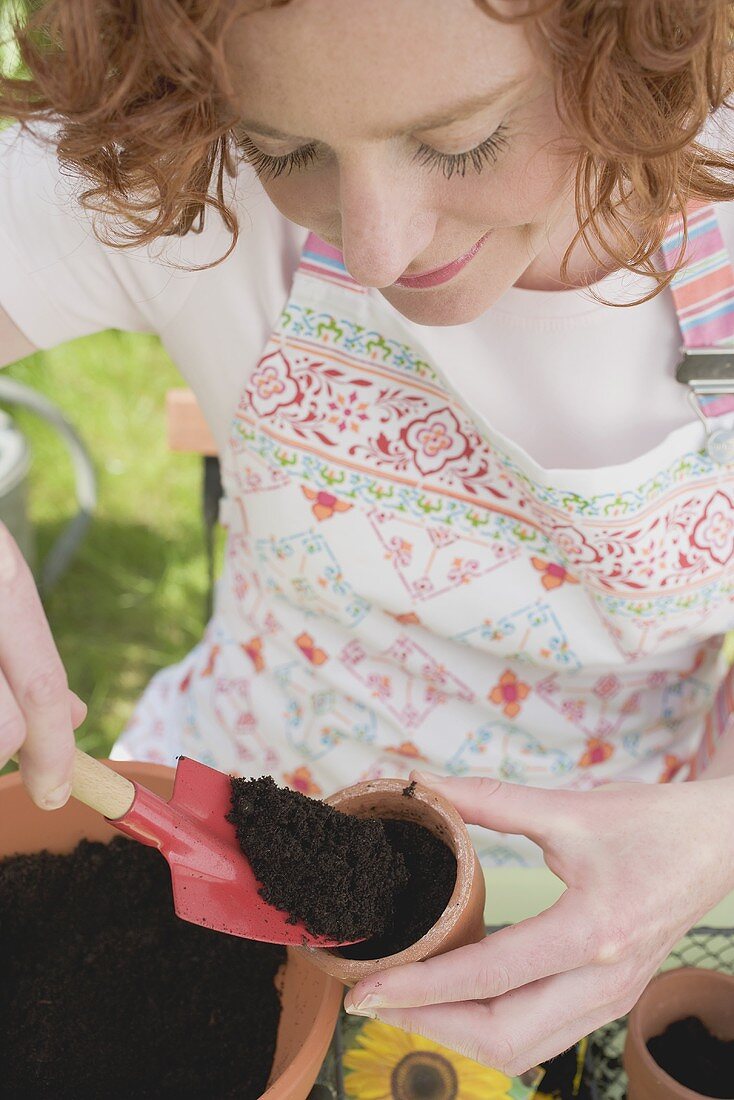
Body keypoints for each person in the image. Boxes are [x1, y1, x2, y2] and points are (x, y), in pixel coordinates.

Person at [0, 0, 733, 1075]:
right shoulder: (196, 160)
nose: (381, 244)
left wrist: (715, 833)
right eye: (285, 146)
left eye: (460, 140)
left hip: (625, 902)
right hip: (226, 855)